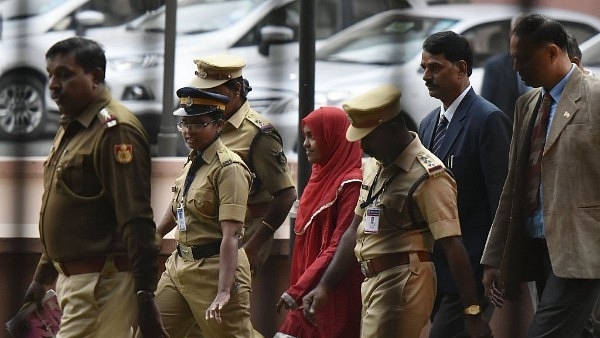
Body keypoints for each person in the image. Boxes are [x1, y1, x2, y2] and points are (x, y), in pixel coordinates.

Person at [301, 84, 492, 338]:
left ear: (390, 128)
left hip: (404, 283)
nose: (362, 146)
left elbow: (453, 245)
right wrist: (325, 286)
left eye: (368, 137)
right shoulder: (374, 166)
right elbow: (353, 231)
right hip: (372, 283)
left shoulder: (428, 175)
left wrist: (472, 313)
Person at [21, 37, 168, 338]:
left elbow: (136, 219)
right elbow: (74, 209)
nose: (52, 85)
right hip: (76, 283)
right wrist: (42, 276)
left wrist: (144, 296)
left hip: (102, 284)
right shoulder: (73, 127)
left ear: (96, 77)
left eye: (64, 74)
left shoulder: (115, 130)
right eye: (49, 75)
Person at [481, 14, 600, 338]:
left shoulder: (595, 96)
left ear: (551, 52)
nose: (516, 68)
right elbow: (513, 187)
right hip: (538, 245)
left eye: (523, 58)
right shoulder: (527, 104)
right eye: (513, 58)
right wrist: (494, 257)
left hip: (583, 249)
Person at [418, 31, 512, 338]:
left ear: (460, 68)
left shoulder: (488, 120)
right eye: (424, 69)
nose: (426, 77)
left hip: (472, 269)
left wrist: (493, 264)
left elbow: (501, 200)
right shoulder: (429, 124)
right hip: (435, 268)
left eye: (434, 67)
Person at [149, 86, 256, 337]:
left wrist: (224, 290)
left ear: (218, 125)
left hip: (214, 270)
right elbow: (179, 205)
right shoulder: (193, 160)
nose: (188, 131)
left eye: (198, 124)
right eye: (184, 123)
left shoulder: (229, 169)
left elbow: (231, 235)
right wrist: (157, 234)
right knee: (151, 329)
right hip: (179, 266)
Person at [188, 54, 297, 273]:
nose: (206, 98)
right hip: (204, 232)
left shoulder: (259, 134)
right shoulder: (206, 123)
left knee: (224, 304)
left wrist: (253, 247)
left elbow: (286, 194)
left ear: (236, 89)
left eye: (213, 92)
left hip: (241, 235)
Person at [274, 107, 363, 338]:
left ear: (333, 137)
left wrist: (300, 288)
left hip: (332, 289)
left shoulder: (351, 183)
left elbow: (339, 243)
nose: (305, 144)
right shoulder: (319, 176)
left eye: (312, 136)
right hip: (304, 290)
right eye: (305, 136)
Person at [480, 15, 529, 120]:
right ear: (510, 34)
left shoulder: (545, 65)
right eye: (518, 32)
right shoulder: (494, 66)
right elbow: (486, 108)